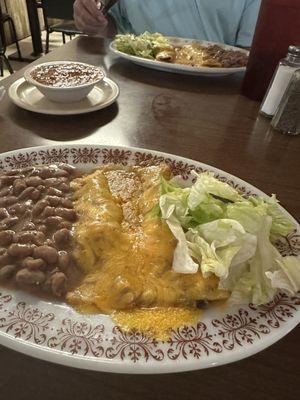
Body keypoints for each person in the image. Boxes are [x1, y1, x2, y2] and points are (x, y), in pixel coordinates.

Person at [74, 0, 261, 47]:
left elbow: (249, 52)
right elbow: (113, 26)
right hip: (138, 89)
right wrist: (92, 19)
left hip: (217, 93)